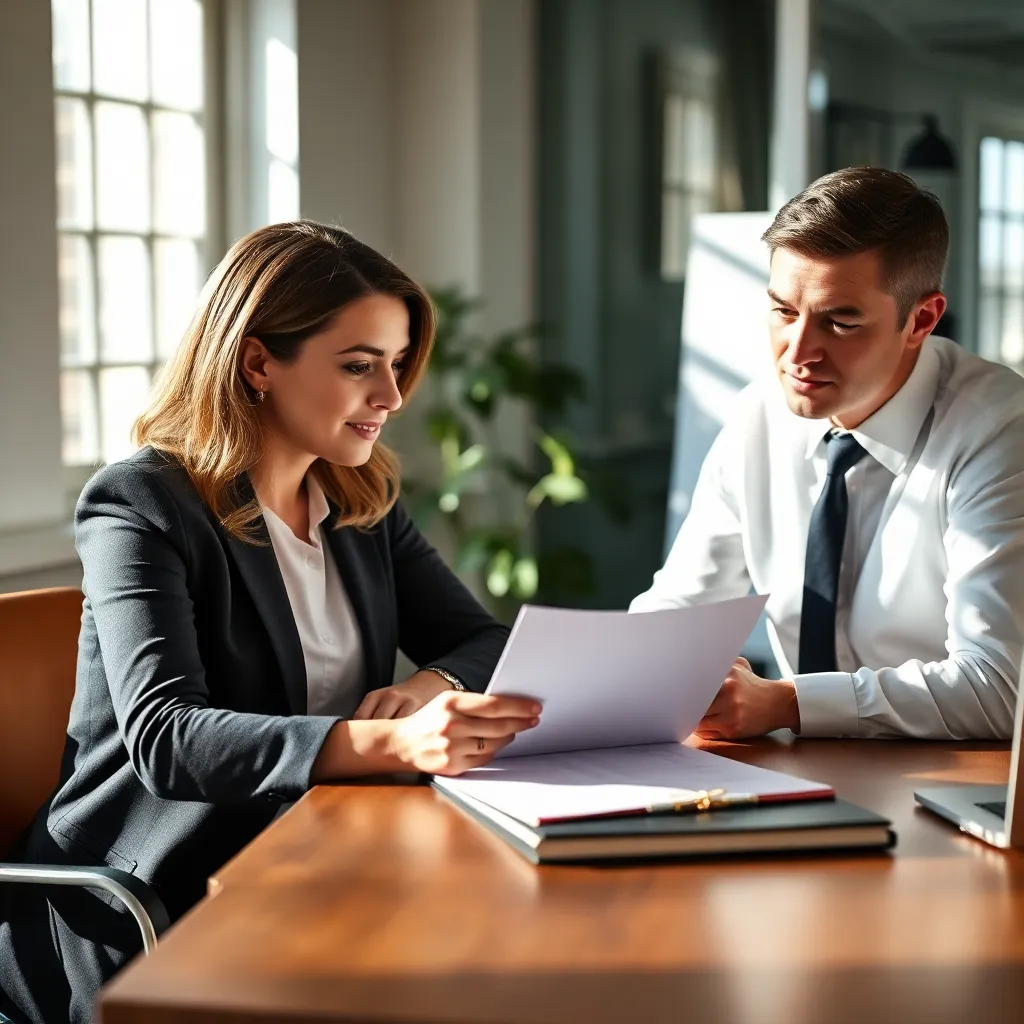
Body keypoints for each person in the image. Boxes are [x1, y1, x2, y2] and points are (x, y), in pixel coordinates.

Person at [0, 221, 539, 1024]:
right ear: (258, 362)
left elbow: (485, 640)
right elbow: (166, 737)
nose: (390, 397)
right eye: (359, 366)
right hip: (150, 902)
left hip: (313, 859)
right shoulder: (141, 503)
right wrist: (385, 743)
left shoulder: (359, 502)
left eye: (395, 365)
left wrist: (431, 685)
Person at [632, 167, 1024, 743]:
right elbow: (682, 607)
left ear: (921, 319)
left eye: (840, 321)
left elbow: (1000, 688)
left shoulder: (999, 433)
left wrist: (789, 702)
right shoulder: (757, 417)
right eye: (784, 311)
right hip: (803, 775)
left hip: (956, 785)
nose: (798, 353)